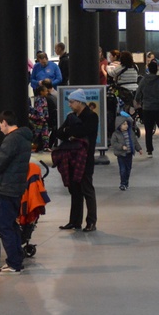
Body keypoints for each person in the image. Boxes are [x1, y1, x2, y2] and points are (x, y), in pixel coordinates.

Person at [0, 110, 33, 274]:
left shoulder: (11, 139)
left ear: (4, 122)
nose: (0, 128)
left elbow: (1, 161)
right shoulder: (24, 138)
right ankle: (17, 260)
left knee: (5, 226)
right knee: (12, 225)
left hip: (6, 187)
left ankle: (13, 263)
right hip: (16, 187)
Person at [56, 90, 99, 231]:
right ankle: (75, 221)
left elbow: (83, 131)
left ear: (80, 102)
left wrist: (70, 131)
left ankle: (91, 221)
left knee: (87, 189)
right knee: (74, 190)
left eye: (72, 102)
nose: (70, 104)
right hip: (71, 158)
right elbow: (60, 132)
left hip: (85, 158)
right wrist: (71, 132)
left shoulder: (92, 116)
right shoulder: (72, 116)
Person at [134, 60, 159, 158]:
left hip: (147, 109)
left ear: (148, 69)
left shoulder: (143, 81)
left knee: (148, 130)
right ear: (157, 69)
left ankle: (149, 151)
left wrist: (138, 101)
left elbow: (138, 93)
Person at [111, 114, 143, 191]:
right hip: (121, 155)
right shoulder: (115, 134)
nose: (126, 126)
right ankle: (122, 183)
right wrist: (121, 147)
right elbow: (114, 143)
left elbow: (135, 141)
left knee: (128, 169)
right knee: (122, 169)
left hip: (129, 154)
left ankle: (126, 182)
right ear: (119, 125)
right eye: (124, 124)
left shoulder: (130, 132)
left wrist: (139, 149)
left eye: (127, 124)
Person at [29, 82, 52, 151]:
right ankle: (29, 145)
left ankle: (46, 146)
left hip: (44, 119)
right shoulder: (39, 99)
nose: (47, 92)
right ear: (41, 92)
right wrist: (41, 117)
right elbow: (39, 109)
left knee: (45, 133)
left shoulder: (44, 99)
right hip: (39, 119)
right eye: (45, 91)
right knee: (36, 133)